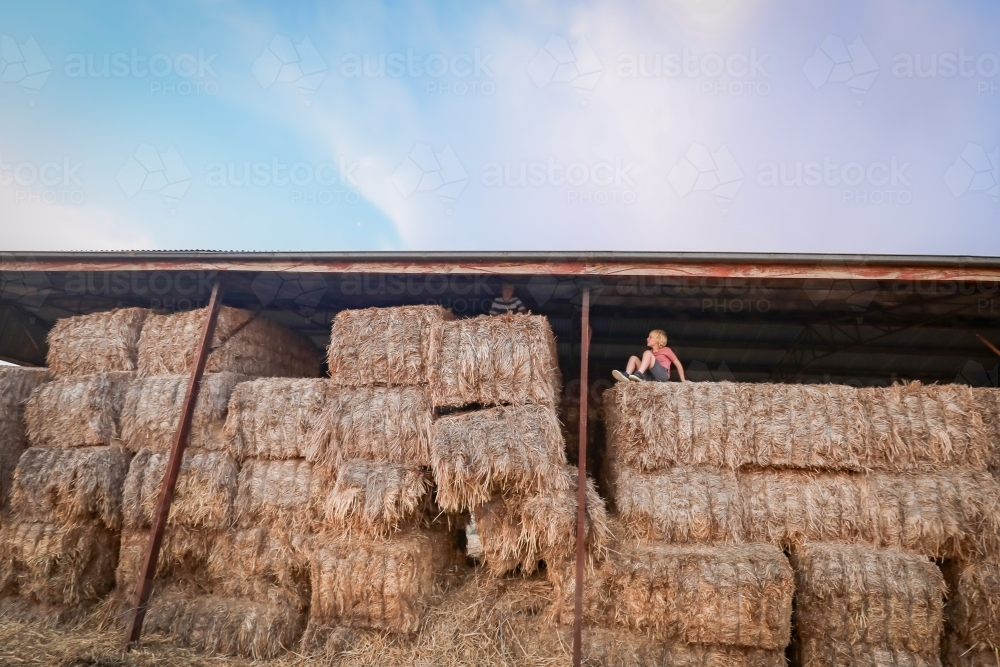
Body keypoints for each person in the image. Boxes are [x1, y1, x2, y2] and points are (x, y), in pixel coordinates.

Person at [612, 329, 686, 383]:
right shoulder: (650, 353)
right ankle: (626, 375)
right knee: (633, 358)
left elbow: (677, 363)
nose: (647, 339)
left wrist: (683, 380)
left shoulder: (666, 350)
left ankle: (639, 374)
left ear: (657, 340)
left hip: (662, 376)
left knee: (647, 353)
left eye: (650, 337)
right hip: (650, 377)